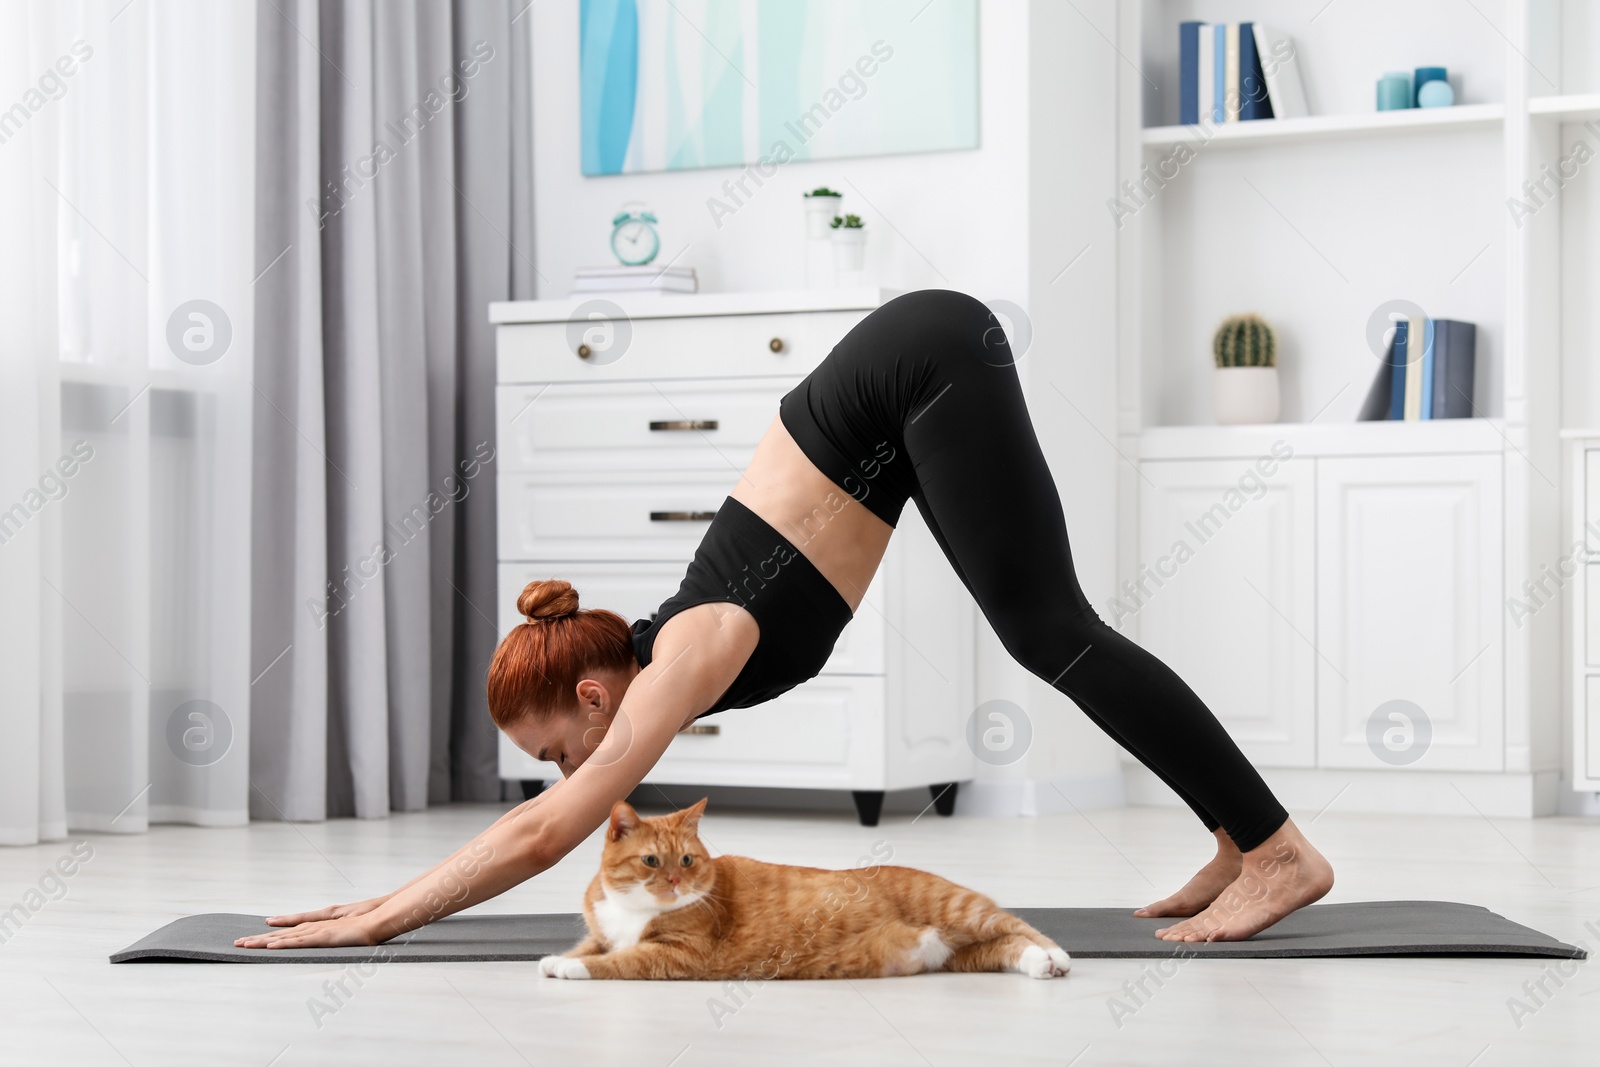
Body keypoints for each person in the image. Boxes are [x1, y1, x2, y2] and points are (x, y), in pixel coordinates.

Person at [237, 289, 1332, 952]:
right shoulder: (666, 648)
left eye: (556, 747)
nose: (565, 769)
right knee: (1043, 628)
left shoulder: (685, 649)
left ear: (590, 694)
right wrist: (380, 891)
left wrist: (382, 920)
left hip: (922, 362)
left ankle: (1277, 850)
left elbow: (544, 831)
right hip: (897, 402)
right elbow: (545, 816)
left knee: (1049, 628)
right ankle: (1238, 836)